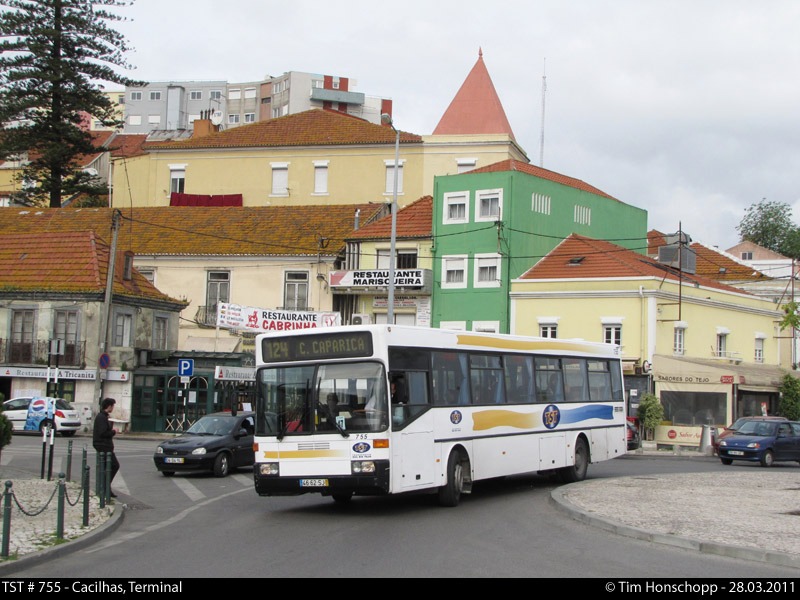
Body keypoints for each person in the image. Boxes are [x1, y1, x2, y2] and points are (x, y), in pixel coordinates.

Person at [93, 398, 120, 497]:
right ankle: (104, 488)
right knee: (113, 465)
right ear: (109, 406)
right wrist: (113, 431)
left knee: (108, 467)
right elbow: (103, 433)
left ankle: (105, 488)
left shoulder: (103, 416)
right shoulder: (101, 417)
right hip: (103, 446)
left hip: (104, 445)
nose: (113, 408)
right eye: (112, 406)